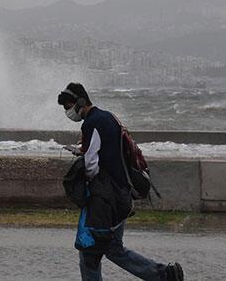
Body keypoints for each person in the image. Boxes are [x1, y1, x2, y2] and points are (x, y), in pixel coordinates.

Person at [58, 82, 185, 281]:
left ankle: (164, 275)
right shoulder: (109, 117)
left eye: (68, 106)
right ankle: (165, 275)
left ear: (80, 102)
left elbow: (92, 163)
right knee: (113, 248)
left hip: (105, 199)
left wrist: (87, 178)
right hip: (121, 194)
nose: (68, 111)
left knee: (89, 251)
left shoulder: (91, 123)